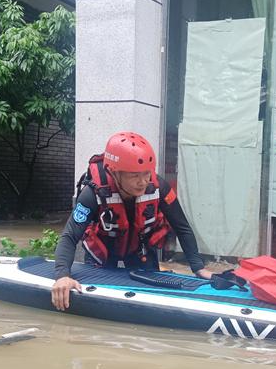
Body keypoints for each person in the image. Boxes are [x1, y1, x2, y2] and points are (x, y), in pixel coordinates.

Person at [51, 131, 211, 310]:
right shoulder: (92, 193)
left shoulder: (159, 188)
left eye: (146, 174)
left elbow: (182, 228)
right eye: (134, 175)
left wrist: (198, 267)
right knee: (100, 305)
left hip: (140, 249)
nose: (143, 182)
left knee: (151, 301)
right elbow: (70, 236)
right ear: (114, 172)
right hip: (104, 250)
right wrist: (62, 275)